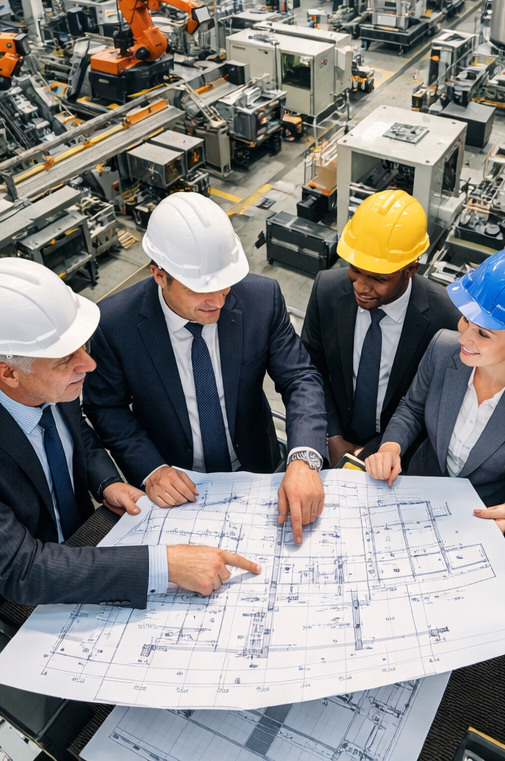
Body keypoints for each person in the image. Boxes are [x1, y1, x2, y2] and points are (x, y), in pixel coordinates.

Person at [0, 259, 260, 660]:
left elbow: (74, 433)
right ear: (7, 373)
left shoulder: (44, 379)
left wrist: (105, 480)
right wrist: (165, 565)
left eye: (83, 347)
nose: (88, 365)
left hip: (72, 556)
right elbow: (23, 570)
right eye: (65, 359)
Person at [83, 193, 327, 544]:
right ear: (159, 275)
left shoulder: (262, 299)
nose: (218, 301)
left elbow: (299, 377)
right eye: (200, 289)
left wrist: (303, 458)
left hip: (257, 472)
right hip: (176, 488)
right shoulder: (114, 324)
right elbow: (106, 406)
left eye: (223, 285)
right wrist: (150, 468)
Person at [366, 248, 505, 556]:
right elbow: (412, 408)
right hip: (418, 499)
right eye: (466, 320)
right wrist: (391, 446)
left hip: (481, 527)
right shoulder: (442, 348)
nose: (464, 337)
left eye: (483, 333)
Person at [301, 190, 461, 466]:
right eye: (355, 269)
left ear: (411, 269)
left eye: (378, 278)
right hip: (332, 443)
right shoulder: (326, 290)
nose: (361, 287)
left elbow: (435, 403)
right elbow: (310, 369)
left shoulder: (444, 318)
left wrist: (380, 449)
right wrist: (333, 436)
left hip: (397, 457)